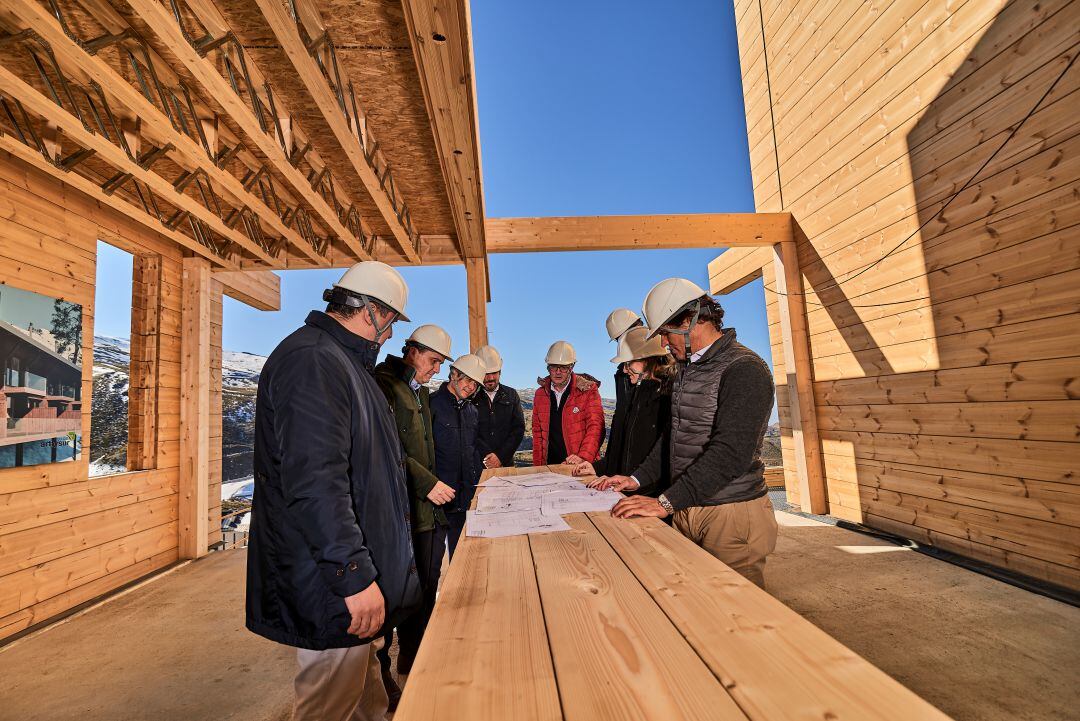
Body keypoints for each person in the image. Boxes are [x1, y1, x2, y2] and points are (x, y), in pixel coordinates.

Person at [246, 261, 421, 721]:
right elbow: (315, 482)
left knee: (365, 698)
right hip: (331, 582)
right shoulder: (314, 361)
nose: (388, 337)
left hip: (348, 572)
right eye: (389, 323)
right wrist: (352, 574)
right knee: (328, 700)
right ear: (371, 312)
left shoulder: (340, 362)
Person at [599, 277, 778, 589]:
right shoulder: (688, 369)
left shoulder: (745, 369)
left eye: (666, 333)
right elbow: (673, 437)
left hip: (729, 513)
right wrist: (637, 479)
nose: (664, 344)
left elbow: (730, 454)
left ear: (689, 319)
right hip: (687, 504)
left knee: (738, 617)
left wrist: (664, 502)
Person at [373, 324, 455, 689]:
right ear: (413, 351)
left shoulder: (418, 391)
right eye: (434, 361)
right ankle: (380, 675)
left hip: (426, 512)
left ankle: (414, 660)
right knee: (392, 595)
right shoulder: (384, 384)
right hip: (398, 511)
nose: (436, 369)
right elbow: (386, 449)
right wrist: (427, 484)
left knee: (424, 589)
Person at [573, 326, 673, 496]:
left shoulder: (667, 398)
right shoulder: (634, 394)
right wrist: (597, 467)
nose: (625, 370)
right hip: (625, 490)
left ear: (648, 360)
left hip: (648, 496)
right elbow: (621, 449)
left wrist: (640, 487)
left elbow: (662, 457)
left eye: (629, 363)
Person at [430, 353, 487, 557]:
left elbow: (473, 451)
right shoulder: (431, 405)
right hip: (439, 498)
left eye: (476, 384)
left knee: (464, 555)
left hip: (466, 496)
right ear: (454, 374)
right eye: (468, 380)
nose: (472, 387)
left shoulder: (472, 411)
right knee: (434, 559)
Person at [531, 341, 605, 467]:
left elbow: (596, 427)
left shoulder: (587, 390)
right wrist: (538, 467)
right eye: (554, 367)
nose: (558, 372)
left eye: (563, 367)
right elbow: (537, 434)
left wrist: (583, 457)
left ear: (571, 367)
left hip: (579, 466)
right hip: (550, 466)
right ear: (548, 367)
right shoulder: (540, 394)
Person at [472, 345, 525, 470]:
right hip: (479, 466)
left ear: (500, 371)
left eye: (494, 373)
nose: (490, 378)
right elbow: (470, 431)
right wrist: (487, 457)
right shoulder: (471, 398)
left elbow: (518, 430)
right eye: (486, 374)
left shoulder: (511, 395)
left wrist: (500, 457)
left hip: (506, 463)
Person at [605, 307, 644, 410]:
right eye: (619, 339)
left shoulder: (665, 366)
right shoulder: (622, 373)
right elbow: (620, 411)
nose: (623, 343)